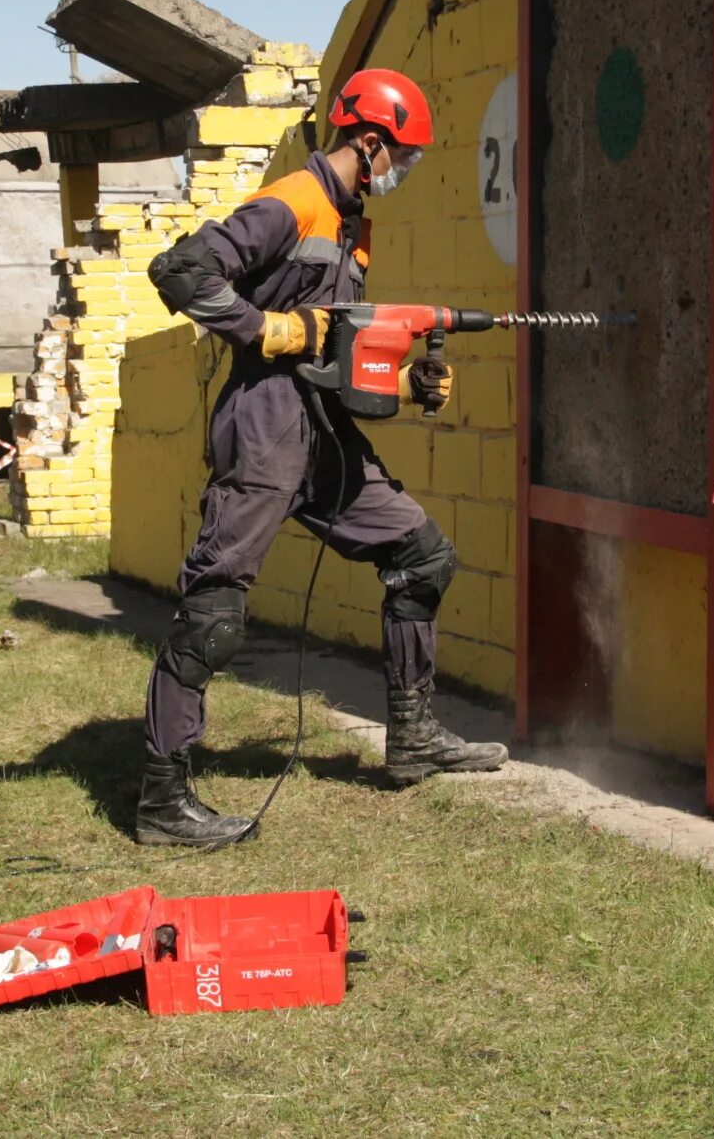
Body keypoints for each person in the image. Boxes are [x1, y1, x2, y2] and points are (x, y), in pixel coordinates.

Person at [135, 68, 509, 847]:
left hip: (319, 431)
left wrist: (407, 384)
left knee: (421, 557)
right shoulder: (292, 202)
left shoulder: (350, 226)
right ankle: (163, 799)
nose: (403, 170)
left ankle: (411, 739)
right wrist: (259, 328)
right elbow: (179, 269)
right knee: (213, 611)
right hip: (264, 427)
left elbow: (333, 349)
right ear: (370, 142)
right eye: (401, 155)